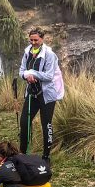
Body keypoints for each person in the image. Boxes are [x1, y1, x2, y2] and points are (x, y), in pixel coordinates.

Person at [19, 27, 63, 161]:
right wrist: (26, 75)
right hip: (32, 94)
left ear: (42, 39)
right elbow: (21, 71)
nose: (33, 42)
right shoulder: (27, 52)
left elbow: (49, 76)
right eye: (31, 40)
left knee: (46, 125)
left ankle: (46, 156)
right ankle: (23, 154)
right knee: (24, 122)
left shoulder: (50, 55)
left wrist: (31, 73)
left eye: (36, 40)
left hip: (47, 95)